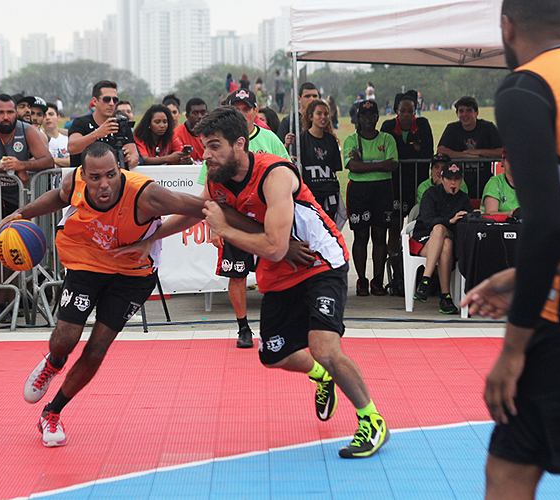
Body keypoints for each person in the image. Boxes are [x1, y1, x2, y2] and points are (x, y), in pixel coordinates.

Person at [132, 106, 389, 458]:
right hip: (279, 271)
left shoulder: (275, 175)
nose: (205, 154)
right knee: (273, 356)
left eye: (214, 146)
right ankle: (321, 376)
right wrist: (152, 238)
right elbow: (197, 211)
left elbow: (275, 245)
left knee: (325, 348)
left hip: (319, 262)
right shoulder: (216, 178)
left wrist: (224, 230)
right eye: (204, 146)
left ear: (240, 144)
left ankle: (371, 420)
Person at [461, 3, 560, 497]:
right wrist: (517, 278)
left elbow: (545, 226)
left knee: (509, 472)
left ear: (506, 28)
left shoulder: (526, 87)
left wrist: (513, 349)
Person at [4, 141, 208, 447]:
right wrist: (23, 212)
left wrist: (152, 237)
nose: (104, 184)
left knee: (97, 349)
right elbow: (59, 198)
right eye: (96, 177)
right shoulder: (73, 180)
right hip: (87, 261)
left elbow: (200, 210)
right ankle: (54, 362)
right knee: (65, 338)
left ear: (120, 170)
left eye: (111, 175)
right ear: (84, 173)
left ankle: (52, 412)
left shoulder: (146, 194)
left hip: (133, 273)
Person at [197, 91, 290, 348]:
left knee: (277, 271)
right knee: (236, 275)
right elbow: (207, 192)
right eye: (236, 108)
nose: (242, 113)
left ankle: (277, 325)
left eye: (245, 108)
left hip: (266, 219)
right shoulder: (216, 146)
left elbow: (288, 178)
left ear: (255, 111)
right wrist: (215, 227)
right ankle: (243, 328)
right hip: (234, 217)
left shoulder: (270, 140)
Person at [0, 94, 54, 321]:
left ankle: (16, 299)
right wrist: (8, 167)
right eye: (0, 112)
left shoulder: (26, 129)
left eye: (10, 112)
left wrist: (23, 164)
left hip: (18, 197)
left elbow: (47, 160)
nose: (5, 116)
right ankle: (0, 301)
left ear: (16, 113)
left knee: (16, 249)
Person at [343, 100, 398, 296]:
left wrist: (364, 164)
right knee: (361, 236)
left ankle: (377, 281)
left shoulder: (387, 139)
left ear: (377, 117)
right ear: (358, 118)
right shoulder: (351, 140)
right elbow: (352, 166)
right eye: (364, 115)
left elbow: (392, 165)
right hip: (358, 191)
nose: (368, 119)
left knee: (380, 236)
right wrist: (379, 165)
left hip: (383, 190)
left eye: (371, 115)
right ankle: (361, 280)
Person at [410, 162, 472, 314]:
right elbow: (428, 220)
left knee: (442, 232)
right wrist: (450, 221)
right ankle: (446, 296)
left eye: (456, 179)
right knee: (445, 243)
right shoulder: (430, 194)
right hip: (425, 238)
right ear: (442, 179)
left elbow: (468, 223)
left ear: (461, 180)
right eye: (449, 178)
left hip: (451, 234)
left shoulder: (463, 198)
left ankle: (425, 280)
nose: (453, 182)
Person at [380, 90, 435, 255]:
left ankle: (412, 264)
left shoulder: (423, 124)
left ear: (415, 111)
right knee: (394, 227)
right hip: (394, 185)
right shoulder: (388, 126)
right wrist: (413, 148)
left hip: (417, 184)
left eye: (410, 111)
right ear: (396, 110)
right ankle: (396, 268)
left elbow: (427, 152)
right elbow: (388, 154)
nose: (406, 114)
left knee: (417, 226)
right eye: (402, 111)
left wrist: (402, 150)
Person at [437, 96, 503, 198]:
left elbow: (502, 151)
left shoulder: (488, 128)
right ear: (457, 114)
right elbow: (441, 151)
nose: (464, 114)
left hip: (483, 183)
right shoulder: (452, 128)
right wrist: (464, 155)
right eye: (461, 111)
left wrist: (477, 152)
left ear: (476, 113)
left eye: (468, 111)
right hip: (458, 183)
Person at [67, 80, 138, 170]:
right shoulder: (80, 122)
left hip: (114, 179)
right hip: (84, 179)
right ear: (95, 101)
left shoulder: (121, 124)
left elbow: (134, 155)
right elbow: (72, 147)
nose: (111, 103)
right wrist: (97, 134)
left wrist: (129, 160)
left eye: (115, 100)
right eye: (107, 99)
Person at [298, 99, 343, 221]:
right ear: (310, 117)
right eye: (319, 113)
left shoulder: (331, 140)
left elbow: (335, 169)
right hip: (310, 196)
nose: (323, 117)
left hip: (329, 196)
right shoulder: (301, 139)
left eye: (326, 114)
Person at [277, 82, 319, 157]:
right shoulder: (288, 122)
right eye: (307, 96)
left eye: (314, 96)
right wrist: (286, 144)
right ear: (299, 99)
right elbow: (277, 151)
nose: (312, 99)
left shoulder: (322, 121)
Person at [481, 151, 519, 216]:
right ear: (503, 162)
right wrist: (512, 214)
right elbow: (490, 213)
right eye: (510, 160)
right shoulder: (495, 182)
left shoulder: (530, 183)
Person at [173, 98, 207, 163]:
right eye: (195, 113)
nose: (200, 116)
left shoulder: (213, 132)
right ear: (187, 116)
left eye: (203, 112)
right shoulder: (177, 134)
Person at [44, 103, 70, 168]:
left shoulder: (67, 139)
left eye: (51, 114)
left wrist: (51, 160)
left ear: (58, 118)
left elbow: (70, 161)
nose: (47, 118)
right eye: (44, 115)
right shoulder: (38, 138)